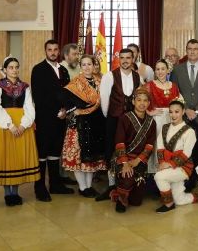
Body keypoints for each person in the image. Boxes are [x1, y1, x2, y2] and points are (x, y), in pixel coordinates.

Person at [0, 57, 40, 206]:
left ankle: (15, 192)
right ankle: (7, 193)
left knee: (18, 158)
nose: (14, 70)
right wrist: (10, 125)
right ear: (5, 69)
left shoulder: (25, 86)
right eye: (11, 67)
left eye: (16, 67)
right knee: (6, 157)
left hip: (22, 124)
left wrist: (23, 125)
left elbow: (29, 107)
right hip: (4, 125)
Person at [31, 39, 74, 201]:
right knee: (42, 153)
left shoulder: (63, 70)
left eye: (56, 49)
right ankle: (40, 187)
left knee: (56, 151)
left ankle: (55, 185)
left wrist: (65, 110)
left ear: (59, 52)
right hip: (44, 118)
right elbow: (39, 96)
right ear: (45, 51)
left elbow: (68, 93)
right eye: (50, 50)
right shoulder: (39, 69)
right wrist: (55, 111)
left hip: (61, 118)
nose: (53, 52)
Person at [59, 55, 106, 198]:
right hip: (79, 124)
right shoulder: (75, 83)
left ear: (94, 65)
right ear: (80, 66)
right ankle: (82, 187)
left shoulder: (101, 81)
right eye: (84, 64)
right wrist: (76, 109)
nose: (87, 67)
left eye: (89, 64)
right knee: (79, 158)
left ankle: (89, 186)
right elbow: (67, 103)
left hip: (96, 123)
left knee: (92, 158)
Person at [170, 39, 198, 188]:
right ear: (186, 51)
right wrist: (187, 109)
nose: (193, 51)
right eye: (190, 48)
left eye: (196, 49)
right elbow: (176, 92)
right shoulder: (177, 70)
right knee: (186, 150)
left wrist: (196, 110)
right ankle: (187, 181)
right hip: (184, 117)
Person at [98, 48, 141, 200]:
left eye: (128, 58)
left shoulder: (137, 76)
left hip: (130, 120)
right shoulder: (110, 76)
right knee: (111, 151)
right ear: (118, 59)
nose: (125, 61)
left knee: (128, 150)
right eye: (122, 58)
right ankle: (111, 186)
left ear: (133, 59)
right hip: (114, 119)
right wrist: (109, 117)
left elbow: (138, 98)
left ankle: (125, 183)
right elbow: (104, 98)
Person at [111, 87, 156, 213]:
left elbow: (149, 146)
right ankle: (120, 198)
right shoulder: (124, 118)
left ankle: (120, 190)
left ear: (148, 103)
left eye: (145, 100)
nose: (142, 103)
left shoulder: (152, 122)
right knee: (127, 175)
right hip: (123, 157)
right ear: (133, 102)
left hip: (139, 159)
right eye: (139, 100)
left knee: (136, 202)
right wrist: (125, 163)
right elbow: (119, 143)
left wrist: (138, 160)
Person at [153, 97, 197, 213]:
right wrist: (162, 163)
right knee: (180, 200)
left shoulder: (189, 131)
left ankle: (168, 204)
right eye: (171, 112)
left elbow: (186, 154)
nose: (173, 115)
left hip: (183, 167)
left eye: (177, 112)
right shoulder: (165, 127)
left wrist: (169, 164)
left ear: (183, 112)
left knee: (159, 176)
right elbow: (160, 147)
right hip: (168, 165)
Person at [144, 59, 179, 173]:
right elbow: (140, 100)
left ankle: (169, 170)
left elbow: (179, 103)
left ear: (167, 70)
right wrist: (148, 112)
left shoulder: (173, 86)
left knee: (170, 144)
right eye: (157, 69)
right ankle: (155, 171)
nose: (160, 71)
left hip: (171, 118)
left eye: (163, 69)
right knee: (157, 144)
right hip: (157, 119)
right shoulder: (149, 85)